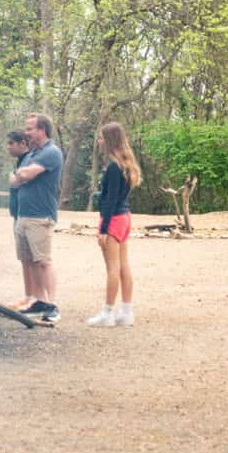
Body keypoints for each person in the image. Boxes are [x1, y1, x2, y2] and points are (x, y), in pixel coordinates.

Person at [9, 113, 63, 323]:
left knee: (43, 261)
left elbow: (24, 175)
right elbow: (14, 180)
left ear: (42, 130)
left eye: (30, 128)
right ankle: (39, 302)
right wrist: (19, 175)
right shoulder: (32, 154)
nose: (27, 132)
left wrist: (20, 175)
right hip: (23, 216)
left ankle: (52, 306)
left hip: (40, 217)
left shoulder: (51, 152)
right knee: (29, 261)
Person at [87, 122, 141, 327]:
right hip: (125, 217)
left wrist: (103, 229)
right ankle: (126, 311)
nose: (99, 141)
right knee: (123, 266)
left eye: (101, 138)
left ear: (109, 140)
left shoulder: (112, 166)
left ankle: (108, 313)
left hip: (113, 219)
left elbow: (109, 200)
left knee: (112, 268)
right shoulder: (126, 164)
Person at [4, 130, 34, 310]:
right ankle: (28, 296)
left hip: (27, 214)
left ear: (22, 143)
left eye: (11, 144)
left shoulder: (29, 159)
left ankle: (34, 298)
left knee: (32, 259)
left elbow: (16, 181)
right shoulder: (20, 161)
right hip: (18, 214)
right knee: (24, 259)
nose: (8, 147)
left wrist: (13, 177)